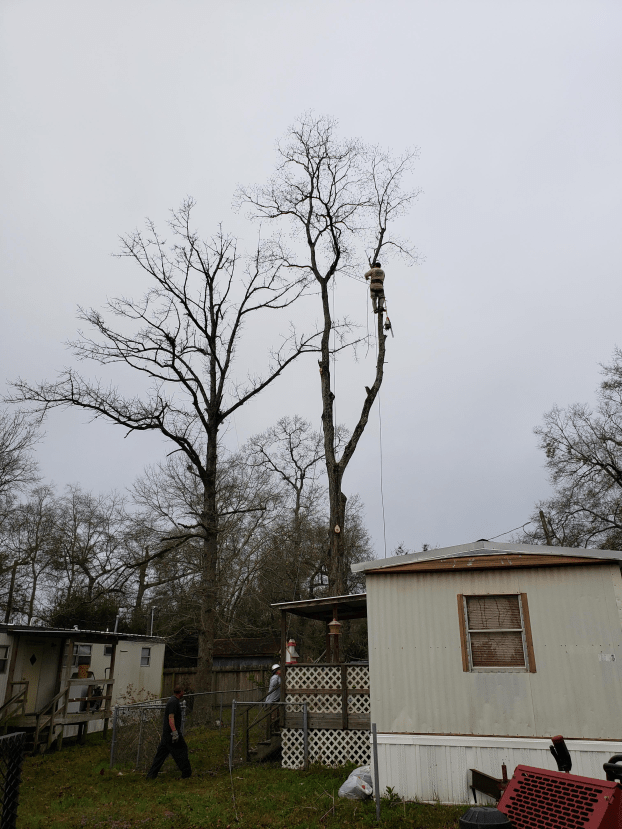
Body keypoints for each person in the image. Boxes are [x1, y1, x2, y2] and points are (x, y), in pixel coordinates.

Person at [146, 685, 192, 780]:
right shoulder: (173, 702)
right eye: (183, 691)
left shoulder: (173, 701)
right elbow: (171, 718)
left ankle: (151, 776)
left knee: (160, 756)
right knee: (182, 751)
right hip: (171, 734)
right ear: (180, 692)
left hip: (167, 735)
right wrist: (175, 732)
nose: (184, 693)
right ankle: (186, 773)